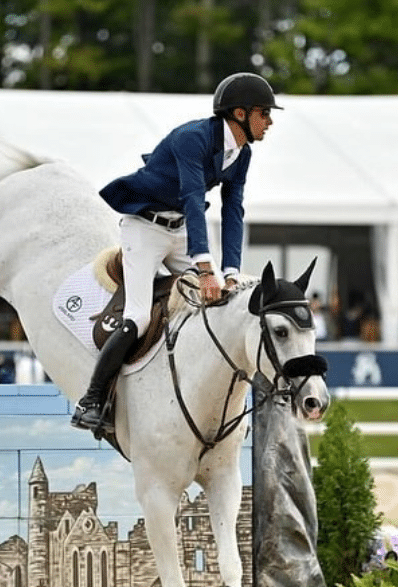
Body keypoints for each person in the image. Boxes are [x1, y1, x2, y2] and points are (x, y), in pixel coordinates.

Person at [71, 72, 281, 431]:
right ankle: (91, 401)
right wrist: (204, 268)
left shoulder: (241, 154)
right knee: (137, 317)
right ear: (241, 114)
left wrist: (230, 270)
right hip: (146, 229)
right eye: (265, 113)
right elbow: (193, 199)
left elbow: (233, 210)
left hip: (181, 229)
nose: (270, 122)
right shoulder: (192, 139)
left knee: (220, 303)